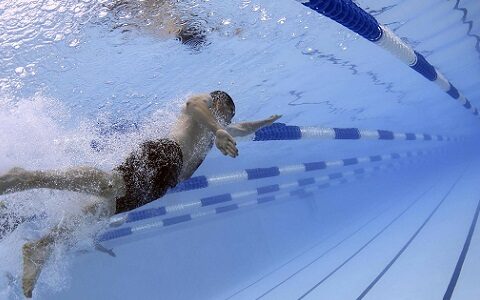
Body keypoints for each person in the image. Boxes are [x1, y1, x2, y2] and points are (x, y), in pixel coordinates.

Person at [0, 91, 281, 298]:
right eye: (225, 113)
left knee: (100, 210)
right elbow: (192, 105)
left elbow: (241, 129)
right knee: (110, 185)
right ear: (218, 103)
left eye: (228, 118)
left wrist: (264, 122)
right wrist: (219, 128)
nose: (226, 120)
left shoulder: (216, 130)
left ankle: (43, 245)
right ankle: (26, 177)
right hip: (165, 155)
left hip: (162, 183)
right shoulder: (206, 107)